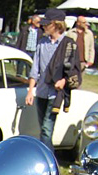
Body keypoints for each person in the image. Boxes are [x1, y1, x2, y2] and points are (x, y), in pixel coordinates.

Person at [26, 8, 69, 150]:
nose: (43, 26)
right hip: (42, 91)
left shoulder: (67, 44)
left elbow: (73, 69)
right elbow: (35, 68)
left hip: (55, 94)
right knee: (43, 128)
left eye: (47, 24)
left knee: (46, 128)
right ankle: (48, 156)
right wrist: (30, 91)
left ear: (56, 25)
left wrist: (63, 81)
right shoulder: (42, 43)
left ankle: (47, 159)